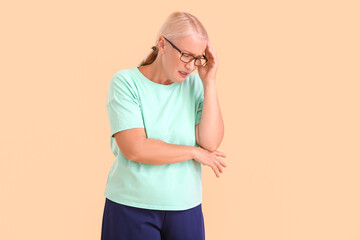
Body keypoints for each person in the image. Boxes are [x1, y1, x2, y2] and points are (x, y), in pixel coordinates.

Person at [101, 11, 227, 240]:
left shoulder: (195, 86)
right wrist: (193, 152)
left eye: (198, 58)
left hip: (186, 207)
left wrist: (209, 81)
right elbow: (135, 148)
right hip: (131, 206)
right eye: (186, 55)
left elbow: (210, 142)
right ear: (162, 44)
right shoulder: (126, 83)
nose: (191, 67)